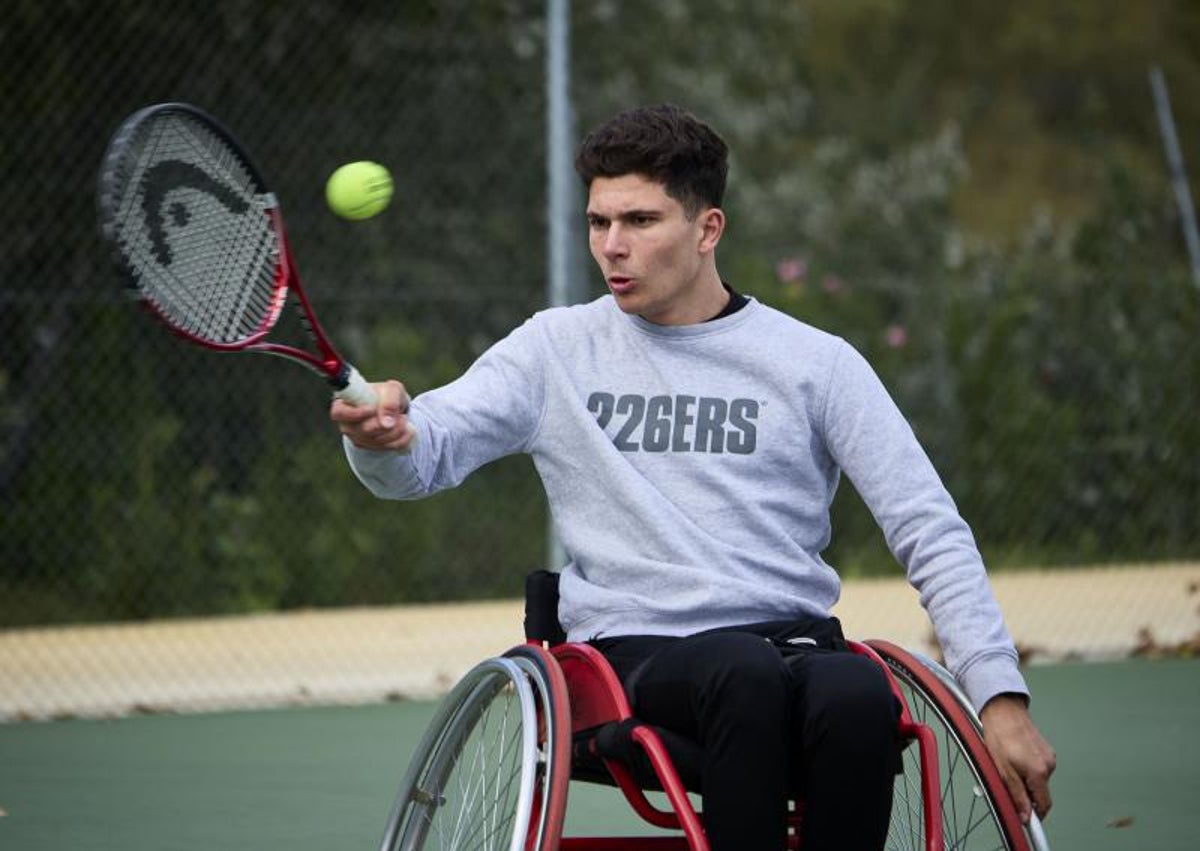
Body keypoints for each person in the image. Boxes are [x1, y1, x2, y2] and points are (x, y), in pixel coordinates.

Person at [331, 103, 1055, 851]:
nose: (612, 247)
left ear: (708, 229)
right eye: (598, 222)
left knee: (857, 691)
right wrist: (384, 435)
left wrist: (998, 698)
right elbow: (424, 452)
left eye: (640, 221)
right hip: (632, 658)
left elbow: (927, 525)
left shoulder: (817, 362)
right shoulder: (555, 349)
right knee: (739, 670)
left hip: (793, 646)